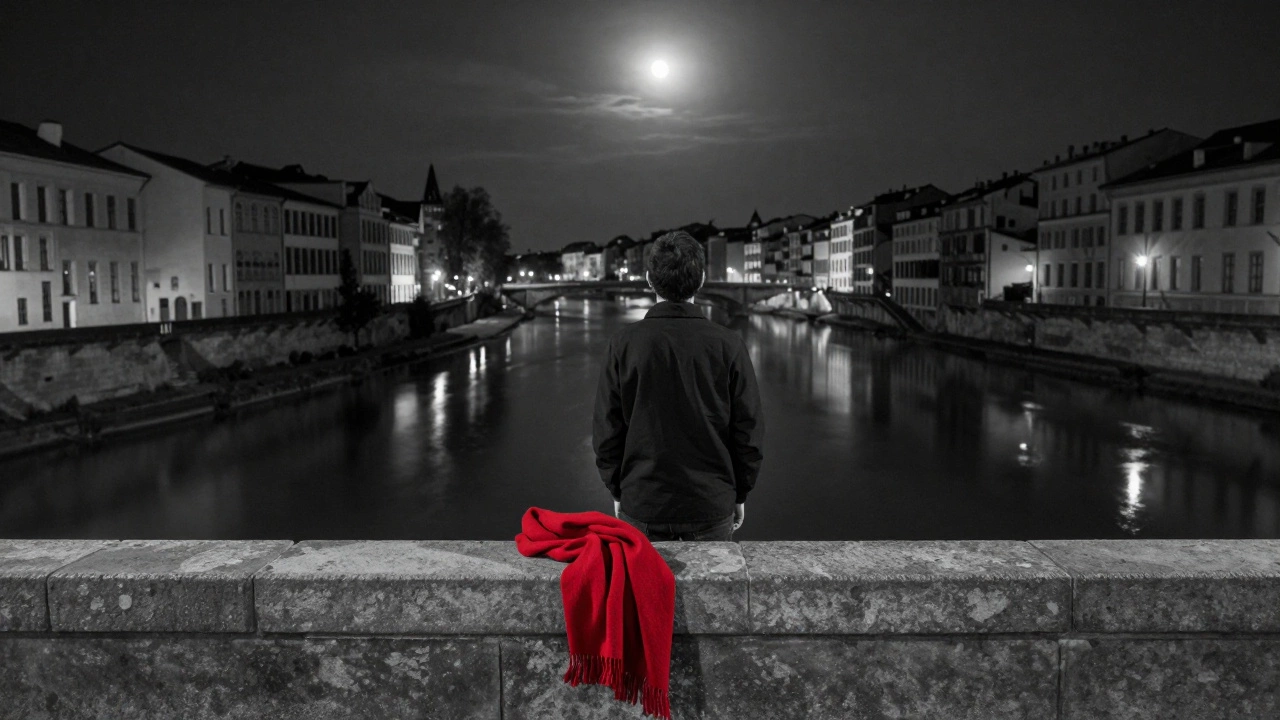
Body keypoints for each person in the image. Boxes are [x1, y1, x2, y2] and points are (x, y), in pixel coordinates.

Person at [592, 231, 765, 542]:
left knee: (643, 591)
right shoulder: (729, 344)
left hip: (642, 503)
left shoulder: (623, 344)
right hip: (711, 505)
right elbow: (748, 431)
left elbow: (607, 431)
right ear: (700, 281)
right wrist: (740, 492)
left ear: (648, 279)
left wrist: (618, 489)